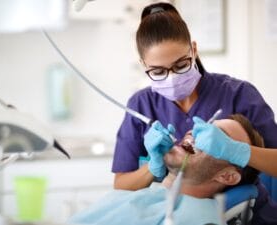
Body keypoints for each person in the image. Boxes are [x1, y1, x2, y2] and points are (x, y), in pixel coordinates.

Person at [111, 2, 277, 224]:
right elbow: (121, 184)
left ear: (194, 49)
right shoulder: (141, 105)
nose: (171, 77)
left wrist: (239, 152)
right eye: (158, 71)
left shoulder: (239, 94)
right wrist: (153, 168)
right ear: (144, 65)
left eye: (180, 65)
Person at [70, 115, 262, 225]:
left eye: (218, 137)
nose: (196, 132)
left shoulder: (199, 219)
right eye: (205, 127)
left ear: (227, 176)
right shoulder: (139, 195)